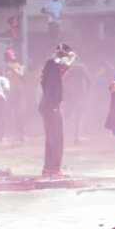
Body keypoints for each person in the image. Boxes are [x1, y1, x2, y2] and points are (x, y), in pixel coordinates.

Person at [39, 44, 76, 178]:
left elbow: (62, 72)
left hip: (47, 104)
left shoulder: (51, 66)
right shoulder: (53, 60)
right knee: (58, 137)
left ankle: (48, 169)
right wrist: (72, 58)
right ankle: (56, 169)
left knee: (51, 137)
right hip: (51, 105)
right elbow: (65, 66)